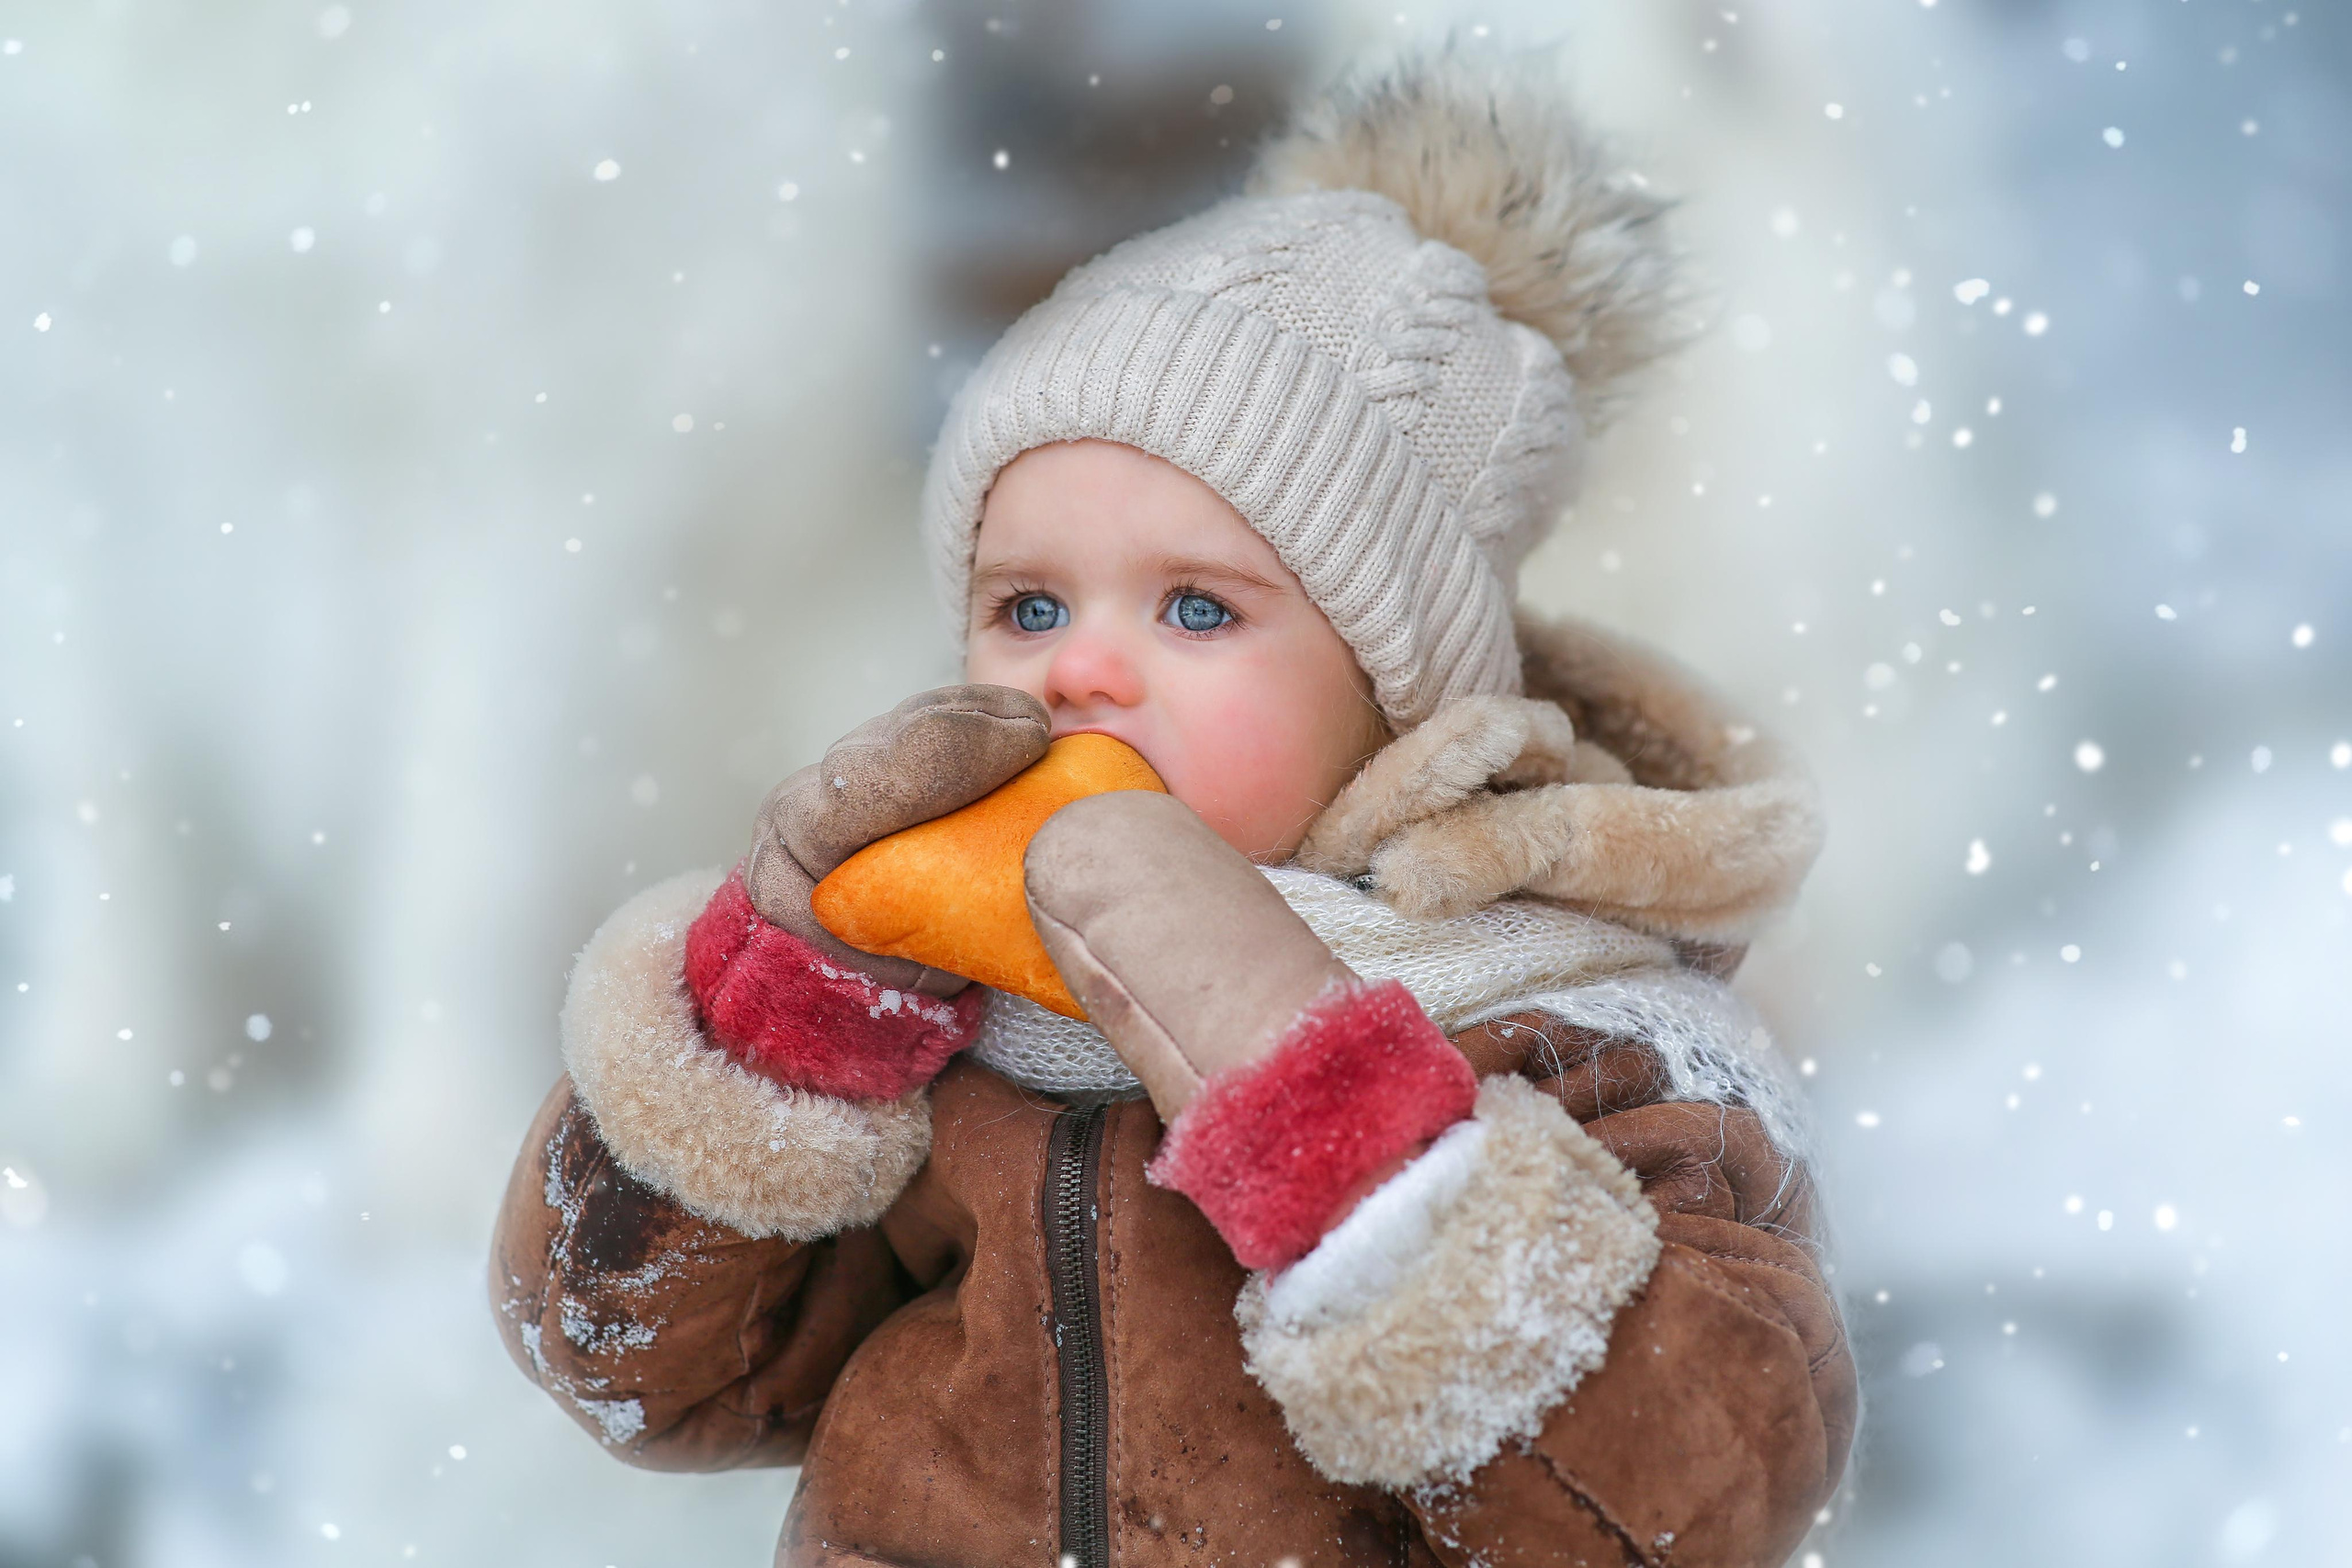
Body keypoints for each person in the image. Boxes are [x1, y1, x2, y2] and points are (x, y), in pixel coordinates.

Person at [491, 50, 1855, 1568]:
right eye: (1025, 604)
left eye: (1197, 610)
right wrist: (784, 1022)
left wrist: (1328, 1113)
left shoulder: (1581, 1027)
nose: (1080, 665)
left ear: (1401, 700)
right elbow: (643, 1380)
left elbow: (1700, 1506)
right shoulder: (948, 1011)